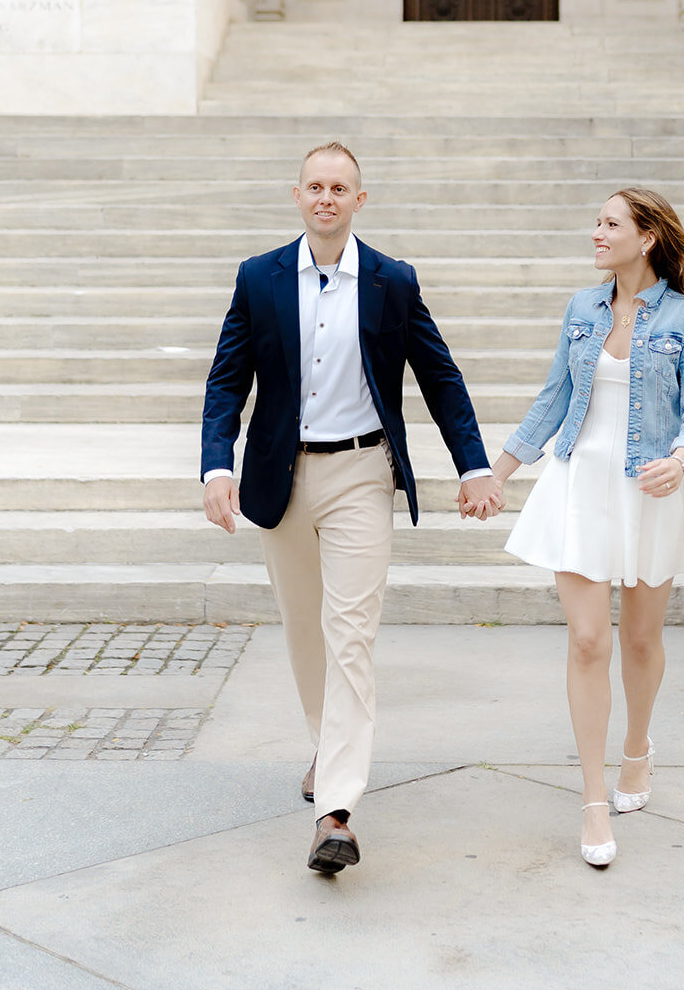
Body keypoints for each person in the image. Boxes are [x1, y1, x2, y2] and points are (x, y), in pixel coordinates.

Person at [201, 142, 503, 877]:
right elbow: (226, 380)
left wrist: (474, 464)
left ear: (359, 200)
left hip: (363, 472)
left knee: (350, 635)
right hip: (282, 478)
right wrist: (216, 463)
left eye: (340, 187)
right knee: (306, 632)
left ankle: (335, 810)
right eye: (315, 186)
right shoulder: (258, 277)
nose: (326, 198)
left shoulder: (392, 282)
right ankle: (325, 745)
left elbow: (438, 374)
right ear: (297, 195)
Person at [481, 187, 684, 868]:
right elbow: (553, 395)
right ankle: (590, 798)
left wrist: (679, 458)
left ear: (645, 237)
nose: (595, 233)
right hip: (578, 484)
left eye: (609, 224)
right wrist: (498, 473)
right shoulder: (582, 308)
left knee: (640, 640)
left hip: (650, 487)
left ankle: (637, 749)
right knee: (588, 642)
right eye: (596, 222)